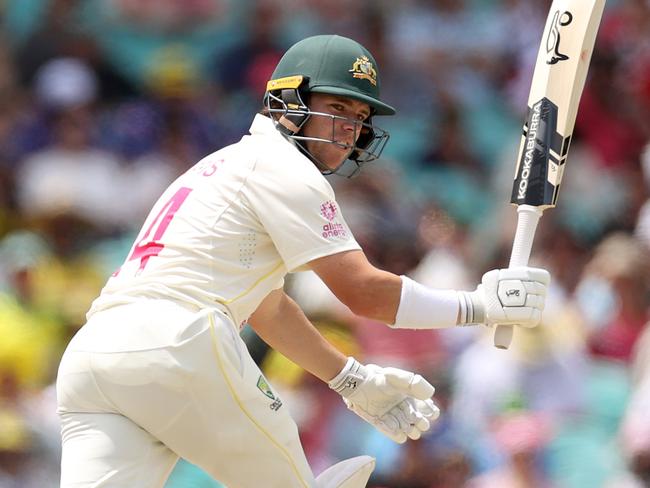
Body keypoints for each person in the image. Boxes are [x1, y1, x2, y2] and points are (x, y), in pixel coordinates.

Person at [55, 34, 550, 488]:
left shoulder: (220, 166)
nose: (349, 129)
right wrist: (481, 306)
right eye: (337, 107)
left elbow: (268, 307)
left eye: (359, 118)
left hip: (94, 358)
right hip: (176, 343)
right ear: (289, 103)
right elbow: (363, 292)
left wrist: (349, 378)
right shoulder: (285, 168)